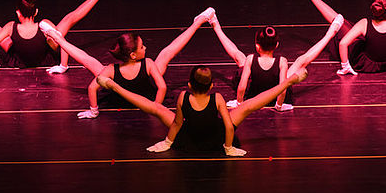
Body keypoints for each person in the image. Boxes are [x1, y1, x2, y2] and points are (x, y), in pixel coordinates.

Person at [96, 65, 308, 156]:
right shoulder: (217, 98)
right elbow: (228, 126)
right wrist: (228, 148)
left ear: (189, 85)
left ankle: (115, 86)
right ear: (212, 86)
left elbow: (177, 123)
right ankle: (290, 80)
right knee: (249, 106)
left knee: (156, 108)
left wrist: (168, 142)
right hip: (216, 138)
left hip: (188, 138)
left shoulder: (183, 96)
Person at [41, 8, 216, 118]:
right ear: (133, 55)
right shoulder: (148, 64)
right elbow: (162, 87)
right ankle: (199, 22)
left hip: (120, 99)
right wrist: (156, 107)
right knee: (166, 53)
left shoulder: (111, 70)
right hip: (145, 100)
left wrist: (93, 111)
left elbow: (92, 88)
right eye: (142, 46)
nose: (145, 47)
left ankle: (58, 38)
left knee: (90, 62)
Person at [207, 10, 344, 111]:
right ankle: (331, 33)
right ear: (277, 45)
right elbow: (282, 88)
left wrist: (239, 103)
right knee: (301, 61)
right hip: (275, 97)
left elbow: (242, 86)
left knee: (239, 56)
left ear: (257, 46)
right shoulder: (282, 61)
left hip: (255, 98)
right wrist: (279, 106)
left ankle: (215, 24)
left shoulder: (250, 59)